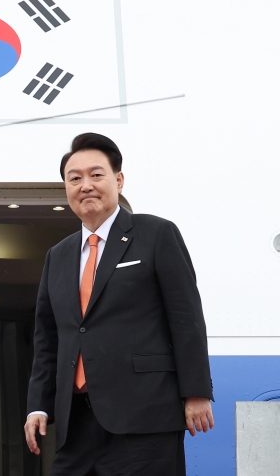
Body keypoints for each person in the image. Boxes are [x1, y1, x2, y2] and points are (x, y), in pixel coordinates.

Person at [24, 133, 214, 475]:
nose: (86, 186)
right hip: (77, 421)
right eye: (75, 178)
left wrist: (196, 392)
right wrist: (38, 406)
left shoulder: (156, 234)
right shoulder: (58, 255)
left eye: (96, 175)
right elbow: (48, 338)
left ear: (119, 180)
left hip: (145, 416)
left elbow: (186, 319)